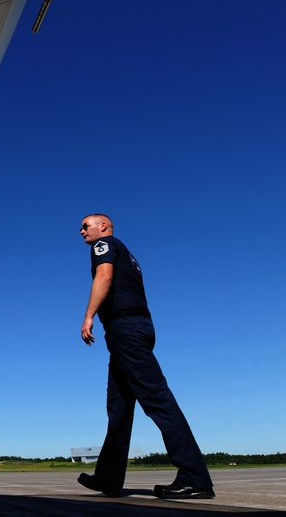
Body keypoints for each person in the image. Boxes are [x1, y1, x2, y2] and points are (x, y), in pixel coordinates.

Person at [75, 214, 214, 500]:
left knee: (156, 398)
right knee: (119, 407)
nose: (81, 231)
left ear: (103, 226)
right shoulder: (128, 254)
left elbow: (105, 276)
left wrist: (88, 315)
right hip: (127, 331)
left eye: (85, 225)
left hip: (126, 330)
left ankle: (194, 476)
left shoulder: (105, 245)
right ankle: (109, 478)